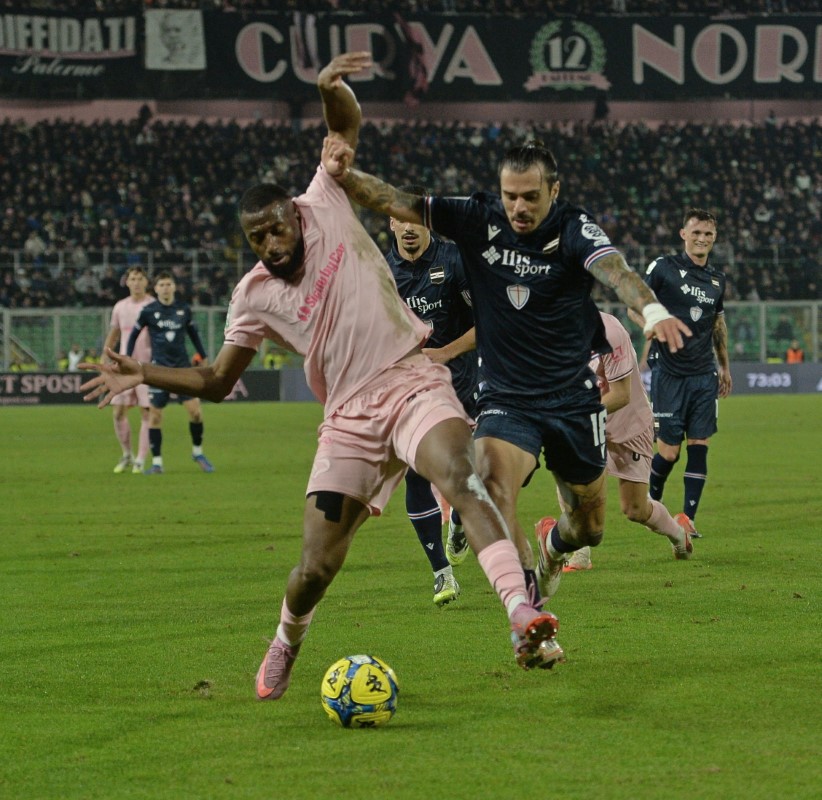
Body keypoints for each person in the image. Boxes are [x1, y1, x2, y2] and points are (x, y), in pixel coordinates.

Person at [80, 53, 564, 703]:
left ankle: (518, 612)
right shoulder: (251, 295)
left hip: (412, 379)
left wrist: (329, 90)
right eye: (258, 238)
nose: (272, 243)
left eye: (276, 227)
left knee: (461, 473)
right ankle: (286, 640)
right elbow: (221, 379)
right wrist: (143, 370)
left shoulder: (324, 199)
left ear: (294, 214)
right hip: (348, 419)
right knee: (316, 567)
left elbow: (344, 128)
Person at [323, 120, 690, 607]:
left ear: (554, 191)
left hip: (571, 398)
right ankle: (527, 609)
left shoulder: (574, 228)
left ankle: (554, 549)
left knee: (590, 526)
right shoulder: (479, 218)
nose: (518, 206)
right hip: (506, 398)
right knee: (494, 493)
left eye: (530, 196)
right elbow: (394, 200)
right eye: (510, 195)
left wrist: (654, 310)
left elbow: (615, 270)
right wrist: (345, 176)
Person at [538, 311, 693, 573]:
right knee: (568, 474)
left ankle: (679, 535)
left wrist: (576, 413)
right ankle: (580, 554)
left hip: (627, 426)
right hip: (586, 426)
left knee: (635, 509)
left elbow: (621, 395)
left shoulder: (610, 332)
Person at [385, 185, 479, 607]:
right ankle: (442, 572)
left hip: (459, 384)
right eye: (400, 220)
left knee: (463, 475)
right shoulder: (380, 271)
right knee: (415, 474)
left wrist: (445, 351)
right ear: (390, 223)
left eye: (415, 220)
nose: (408, 228)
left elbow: (488, 322)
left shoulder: (454, 260)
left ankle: (458, 518)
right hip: (406, 391)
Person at [638, 208, 731, 538]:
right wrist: (649, 324)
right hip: (669, 373)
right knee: (668, 452)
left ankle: (688, 518)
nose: (702, 239)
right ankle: (651, 502)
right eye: (696, 233)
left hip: (703, 374)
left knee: (700, 444)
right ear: (683, 234)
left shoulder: (717, 281)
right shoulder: (663, 268)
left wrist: (724, 366)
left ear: (714, 238)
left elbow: (717, 325)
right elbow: (638, 302)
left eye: (708, 234)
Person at [126, 270, 214, 475]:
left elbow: (194, 334)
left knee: (196, 412)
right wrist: (128, 359)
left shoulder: (183, 309)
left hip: (183, 369)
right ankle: (157, 463)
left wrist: (204, 356)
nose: (165, 288)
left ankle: (198, 452)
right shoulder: (148, 311)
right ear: (155, 289)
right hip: (159, 371)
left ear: (174, 287)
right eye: (161, 285)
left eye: (168, 284)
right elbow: (133, 335)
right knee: (155, 417)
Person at [102, 266, 153, 474]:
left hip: (147, 367)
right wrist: (104, 357)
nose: (137, 282)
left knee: (147, 411)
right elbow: (113, 334)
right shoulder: (120, 307)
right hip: (123, 368)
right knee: (118, 412)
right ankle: (127, 454)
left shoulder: (153, 306)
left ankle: (141, 458)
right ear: (128, 282)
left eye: (140, 278)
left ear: (146, 282)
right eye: (133, 278)